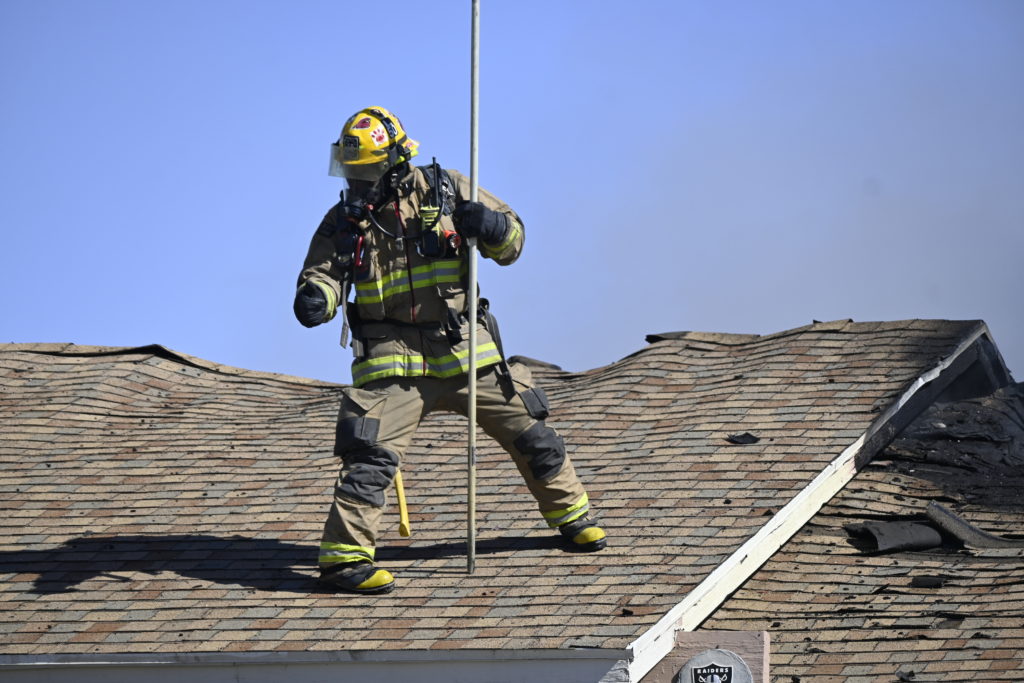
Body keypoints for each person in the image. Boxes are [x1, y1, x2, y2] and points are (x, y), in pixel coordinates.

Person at [293, 106, 605, 594]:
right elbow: (322, 274)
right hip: (391, 358)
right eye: (351, 171)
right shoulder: (344, 221)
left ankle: (573, 516)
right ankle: (344, 560)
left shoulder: (450, 188)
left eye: (367, 170)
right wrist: (316, 297)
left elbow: (513, 243)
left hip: (464, 349)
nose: (357, 181)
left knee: (532, 433)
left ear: (395, 163)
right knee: (369, 458)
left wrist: (491, 225)